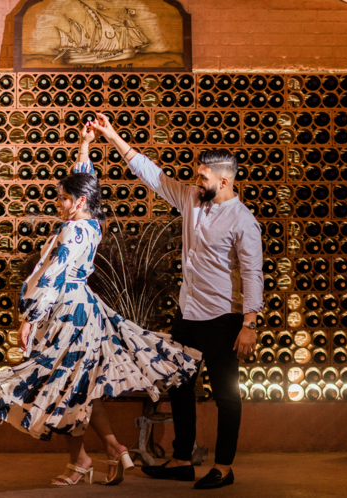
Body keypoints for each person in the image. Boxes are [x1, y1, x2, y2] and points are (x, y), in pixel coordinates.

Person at [0, 122, 201, 487]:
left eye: (63, 199)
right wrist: (84, 145)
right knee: (81, 385)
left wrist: (29, 317)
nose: (58, 204)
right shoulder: (92, 222)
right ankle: (112, 449)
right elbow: (86, 180)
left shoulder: (71, 230)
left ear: (77, 202)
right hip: (86, 311)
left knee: (62, 387)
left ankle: (82, 460)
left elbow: (52, 276)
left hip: (66, 315)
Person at [91, 113, 264, 490]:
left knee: (225, 396)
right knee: (180, 386)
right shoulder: (190, 198)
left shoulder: (243, 221)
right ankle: (183, 459)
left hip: (224, 319)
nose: (195, 180)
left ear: (223, 180)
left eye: (202, 177)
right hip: (188, 315)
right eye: (196, 175)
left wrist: (249, 324)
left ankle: (223, 465)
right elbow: (151, 174)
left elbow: (253, 275)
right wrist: (112, 134)